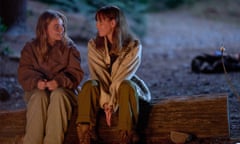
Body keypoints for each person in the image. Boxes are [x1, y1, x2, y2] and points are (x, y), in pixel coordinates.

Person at [76, 5, 151, 144]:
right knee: (89, 85)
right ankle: (85, 134)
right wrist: (106, 102)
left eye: (101, 22)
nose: (97, 25)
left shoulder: (133, 46)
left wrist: (111, 103)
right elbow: (99, 75)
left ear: (113, 23)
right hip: (103, 90)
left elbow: (122, 76)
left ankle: (126, 134)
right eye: (96, 21)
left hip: (123, 90)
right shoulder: (94, 45)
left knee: (126, 85)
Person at [18, 9, 84, 144]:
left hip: (65, 91)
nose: (61, 29)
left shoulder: (70, 48)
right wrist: (37, 82)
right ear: (44, 29)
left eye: (62, 25)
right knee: (39, 96)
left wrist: (59, 81)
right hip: (37, 90)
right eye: (56, 27)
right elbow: (24, 71)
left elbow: (75, 73)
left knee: (58, 95)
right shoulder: (30, 48)